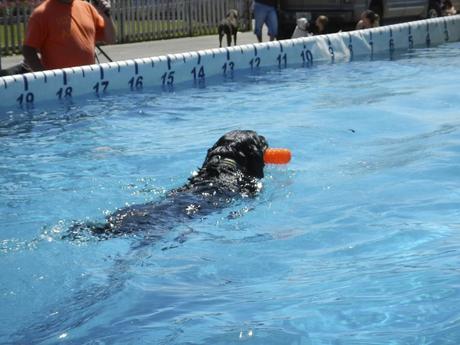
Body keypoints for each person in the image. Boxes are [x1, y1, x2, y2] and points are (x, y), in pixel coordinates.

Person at [22, 0, 116, 72]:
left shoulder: (87, 7)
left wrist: (106, 15)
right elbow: (28, 50)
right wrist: (45, 77)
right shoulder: (41, 14)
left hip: (88, 78)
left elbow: (110, 39)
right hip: (61, 85)